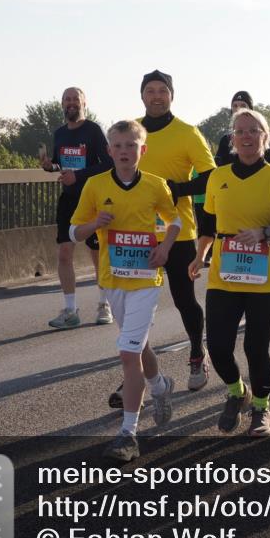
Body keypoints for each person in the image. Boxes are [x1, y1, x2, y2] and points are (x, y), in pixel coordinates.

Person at [70, 120, 181, 462]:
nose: (124, 151)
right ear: (109, 151)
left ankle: (127, 434)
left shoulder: (156, 185)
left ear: (142, 150)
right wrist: (94, 224)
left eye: (131, 145)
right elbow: (74, 232)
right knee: (137, 345)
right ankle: (160, 386)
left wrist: (165, 247)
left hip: (146, 280)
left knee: (128, 353)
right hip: (113, 279)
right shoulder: (95, 185)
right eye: (117, 145)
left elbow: (174, 219)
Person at [189, 108, 270, 436]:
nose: (247, 136)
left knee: (255, 347)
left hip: (266, 277)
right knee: (219, 346)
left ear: (265, 138)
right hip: (225, 273)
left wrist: (264, 233)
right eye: (241, 131)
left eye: (254, 131)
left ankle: (262, 409)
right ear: (232, 139)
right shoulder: (218, 177)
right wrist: (199, 256)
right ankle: (238, 392)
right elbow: (207, 224)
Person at [111, 69, 216, 401]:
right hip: (135, 233)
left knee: (184, 299)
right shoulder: (132, 132)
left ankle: (198, 355)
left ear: (172, 95)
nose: (156, 96)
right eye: (150, 91)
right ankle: (135, 374)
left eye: (162, 91)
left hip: (178, 231)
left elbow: (211, 177)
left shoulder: (187, 133)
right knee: (132, 307)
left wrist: (177, 189)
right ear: (142, 96)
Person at [40, 86, 112, 329]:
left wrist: (79, 176)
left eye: (75, 99)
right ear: (62, 104)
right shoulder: (59, 133)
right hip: (69, 199)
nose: (71, 103)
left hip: (91, 199)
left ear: (84, 103)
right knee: (64, 254)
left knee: (96, 255)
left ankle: (104, 304)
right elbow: (62, 164)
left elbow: (108, 164)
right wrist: (49, 166)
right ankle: (70, 309)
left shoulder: (93, 130)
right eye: (67, 99)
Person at [214, 91, 270, 170]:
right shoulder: (226, 139)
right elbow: (217, 168)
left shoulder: (262, 135)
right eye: (235, 105)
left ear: (250, 109)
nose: (238, 109)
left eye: (243, 105)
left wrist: (261, 177)